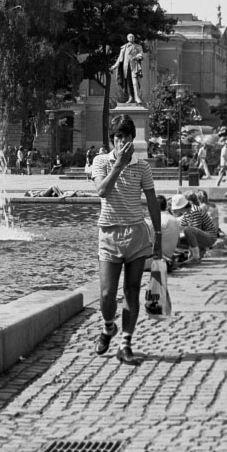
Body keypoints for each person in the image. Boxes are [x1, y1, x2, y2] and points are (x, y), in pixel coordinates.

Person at [91, 114, 163, 366]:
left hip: (136, 234)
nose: (121, 141)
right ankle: (108, 326)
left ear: (133, 139)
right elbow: (102, 191)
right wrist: (118, 165)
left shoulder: (142, 166)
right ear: (112, 140)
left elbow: (152, 202)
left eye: (126, 136)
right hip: (109, 234)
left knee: (132, 290)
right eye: (117, 137)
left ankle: (126, 343)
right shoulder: (100, 161)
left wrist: (159, 236)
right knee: (107, 293)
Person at [170, 193, 218, 262]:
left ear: (182, 207)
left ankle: (196, 256)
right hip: (202, 236)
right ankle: (198, 251)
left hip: (210, 237)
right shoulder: (186, 213)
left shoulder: (194, 211)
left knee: (188, 230)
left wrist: (192, 250)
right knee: (175, 240)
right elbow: (181, 226)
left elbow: (195, 230)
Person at [111, 33, 144, 104]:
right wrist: (114, 66)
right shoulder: (124, 47)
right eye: (129, 37)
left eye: (132, 36)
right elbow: (120, 58)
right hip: (126, 67)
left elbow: (141, 55)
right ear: (127, 38)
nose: (131, 37)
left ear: (134, 38)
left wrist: (137, 57)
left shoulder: (138, 46)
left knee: (135, 82)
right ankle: (131, 97)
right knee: (128, 84)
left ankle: (137, 97)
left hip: (135, 66)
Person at [152, 195, 183, 270]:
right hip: (170, 255)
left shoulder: (156, 220)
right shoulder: (175, 219)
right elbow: (178, 243)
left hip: (157, 259)